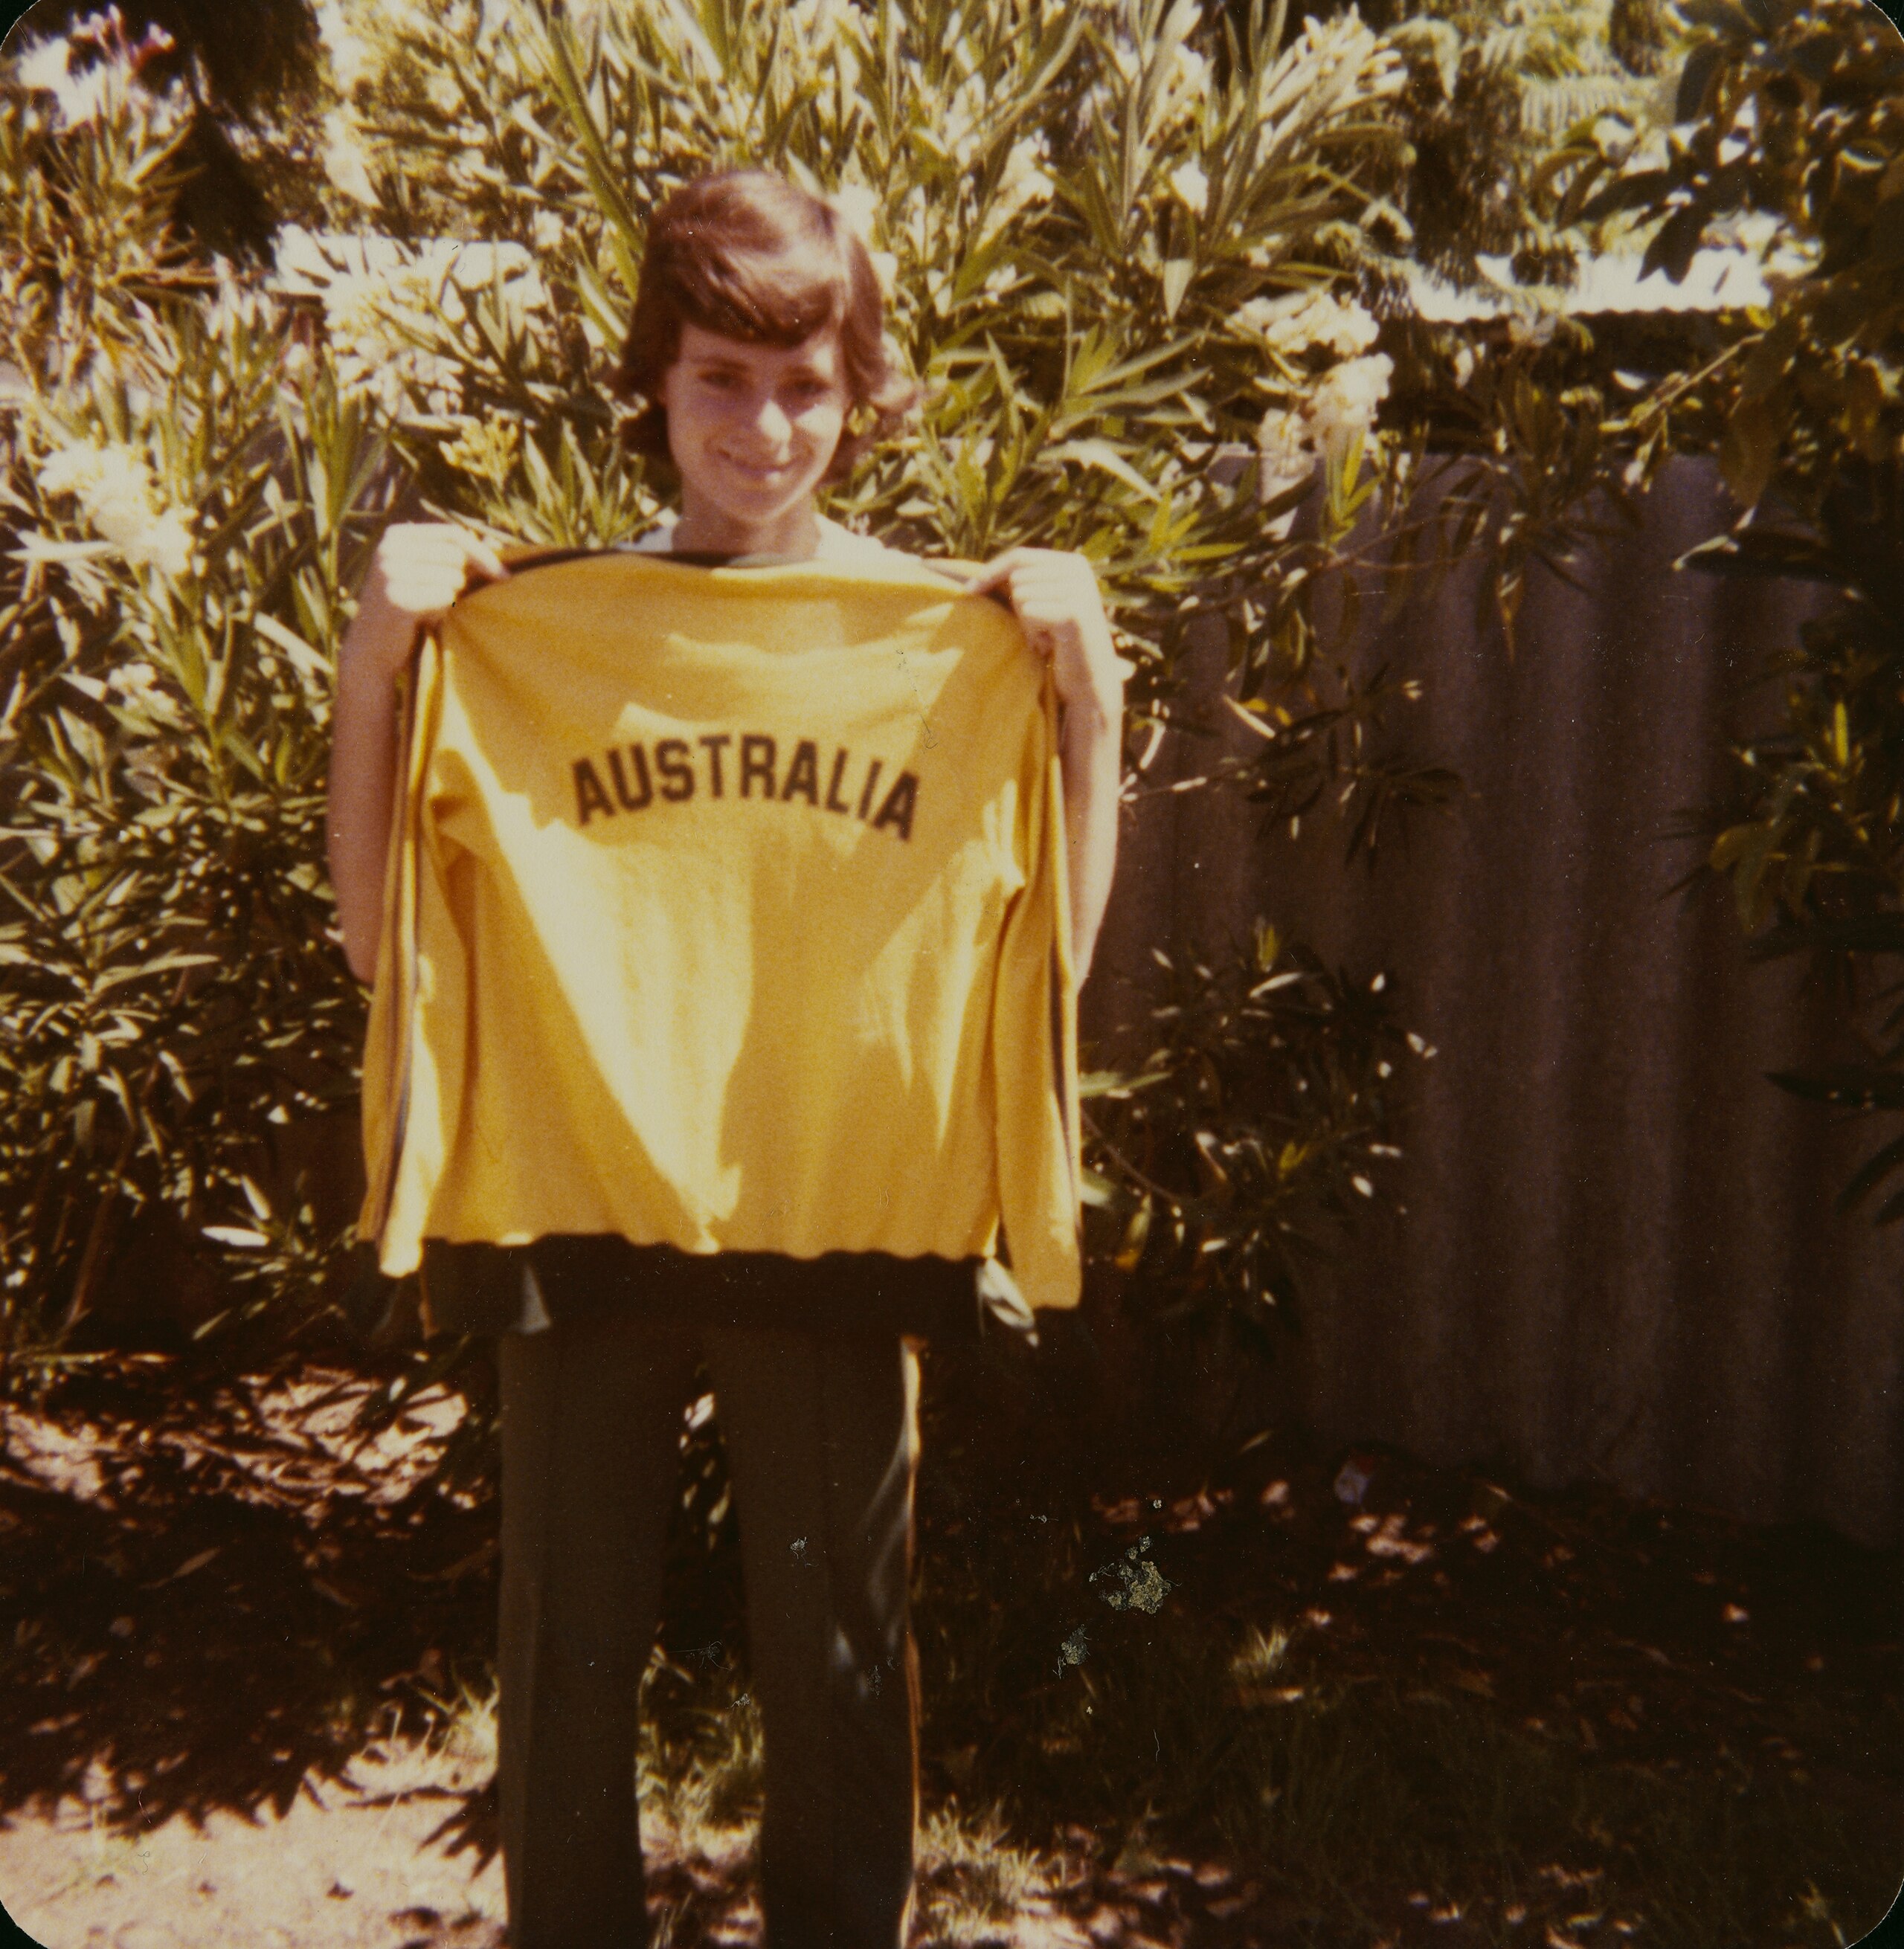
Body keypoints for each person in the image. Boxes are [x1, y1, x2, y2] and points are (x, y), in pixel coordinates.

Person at [325, 170, 1123, 1949]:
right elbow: (383, 944)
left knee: (840, 1672)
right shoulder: (539, 636)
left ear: (858, 395)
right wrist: (379, 662)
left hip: (836, 1214)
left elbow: (1043, 964)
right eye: (717, 380)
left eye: (804, 386)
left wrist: (1090, 702)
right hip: (577, 1200)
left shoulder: (942, 652)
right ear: (653, 387)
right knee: (563, 1672)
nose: (763, 428)